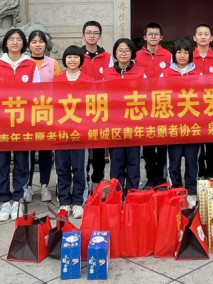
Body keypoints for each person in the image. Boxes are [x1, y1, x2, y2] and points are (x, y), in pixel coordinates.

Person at [0, 28, 40, 221]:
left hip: (23, 122)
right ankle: (4, 200)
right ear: (6, 43)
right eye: (11, 39)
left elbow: (37, 94)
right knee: (0, 161)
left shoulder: (31, 66)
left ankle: (18, 198)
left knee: (22, 161)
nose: (15, 42)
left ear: (23, 43)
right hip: (0, 122)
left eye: (18, 39)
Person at [53, 46, 94, 219]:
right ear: (64, 60)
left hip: (80, 133)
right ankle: (64, 202)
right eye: (69, 57)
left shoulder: (89, 81)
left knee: (79, 169)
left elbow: (93, 106)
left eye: (75, 57)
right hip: (61, 132)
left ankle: (78, 202)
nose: (72, 60)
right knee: (62, 168)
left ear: (81, 60)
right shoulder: (56, 81)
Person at [103, 38, 146, 193]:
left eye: (127, 50)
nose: (123, 53)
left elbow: (147, 94)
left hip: (134, 124)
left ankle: (133, 194)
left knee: (133, 162)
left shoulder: (140, 72)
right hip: (114, 124)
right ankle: (117, 194)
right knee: (116, 162)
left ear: (132, 53)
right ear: (115, 53)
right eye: (120, 50)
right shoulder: (107, 73)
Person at [165, 39, 203, 207]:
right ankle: (176, 190)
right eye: (179, 52)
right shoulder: (166, 74)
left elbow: (204, 96)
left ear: (190, 54)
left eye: (186, 52)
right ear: (174, 54)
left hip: (192, 126)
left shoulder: (198, 73)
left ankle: (191, 191)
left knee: (191, 161)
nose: (182, 55)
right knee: (173, 161)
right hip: (173, 125)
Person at [28, 30, 60, 204]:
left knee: (46, 152)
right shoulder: (24, 63)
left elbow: (59, 86)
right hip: (28, 115)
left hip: (48, 113)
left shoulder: (52, 63)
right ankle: (27, 186)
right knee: (28, 153)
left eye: (41, 41)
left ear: (45, 44)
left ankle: (44, 185)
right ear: (29, 45)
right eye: (34, 42)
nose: (38, 45)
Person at [137, 23, 171, 188]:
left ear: (161, 37)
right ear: (145, 37)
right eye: (150, 34)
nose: (153, 37)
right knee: (148, 142)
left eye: (156, 34)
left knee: (163, 142)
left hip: (163, 104)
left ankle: (162, 177)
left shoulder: (168, 56)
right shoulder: (137, 56)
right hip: (144, 105)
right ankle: (151, 177)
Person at [81, 21, 110, 186]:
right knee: (84, 144)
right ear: (83, 35)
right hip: (81, 108)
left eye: (95, 33)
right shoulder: (77, 56)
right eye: (88, 32)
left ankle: (98, 180)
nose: (92, 36)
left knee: (99, 145)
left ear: (100, 36)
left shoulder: (108, 57)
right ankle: (83, 179)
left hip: (101, 107)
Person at [193, 24, 213, 180]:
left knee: (212, 141)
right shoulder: (188, 57)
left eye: (206, 34)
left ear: (211, 38)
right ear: (194, 38)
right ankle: (199, 173)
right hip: (193, 107)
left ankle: (212, 173)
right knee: (197, 140)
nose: (203, 37)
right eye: (200, 34)